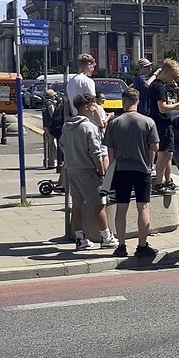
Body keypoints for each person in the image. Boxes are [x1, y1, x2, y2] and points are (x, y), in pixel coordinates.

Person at [103, 87, 159, 259]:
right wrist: (149, 163)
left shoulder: (115, 123)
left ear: (124, 101)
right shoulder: (148, 122)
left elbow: (110, 150)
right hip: (142, 169)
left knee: (121, 208)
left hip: (121, 169)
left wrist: (112, 168)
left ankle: (121, 245)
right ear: (138, 101)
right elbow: (155, 147)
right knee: (143, 207)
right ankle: (142, 245)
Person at [62, 93, 116, 251]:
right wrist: (102, 172)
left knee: (77, 205)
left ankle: (80, 238)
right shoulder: (89, 127)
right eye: (93, 104)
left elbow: (62, 145)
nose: (95, 107)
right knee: (98, 204)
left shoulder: (67, 126)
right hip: (88, 170)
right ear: (86, 107)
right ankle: (106, 237)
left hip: (72, 169)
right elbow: (96, 152)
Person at [150, 59, 179, 194]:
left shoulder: (155, 85)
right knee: (163, 154)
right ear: (165, 72)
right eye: (172, 76)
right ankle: (159, 183)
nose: (172, 79)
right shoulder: (159, 87)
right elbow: (163, 108)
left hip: (159, 123)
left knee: (167, 153)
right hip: (162, 123)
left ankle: (165, 180)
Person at [41, 88, 61, 169]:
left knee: (48, 144)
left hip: (45, 125)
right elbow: (52, 114)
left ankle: (47, 160)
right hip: (50, 126)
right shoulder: (50, 104)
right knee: (52, 144)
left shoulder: (44, 103)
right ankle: (51, 162)